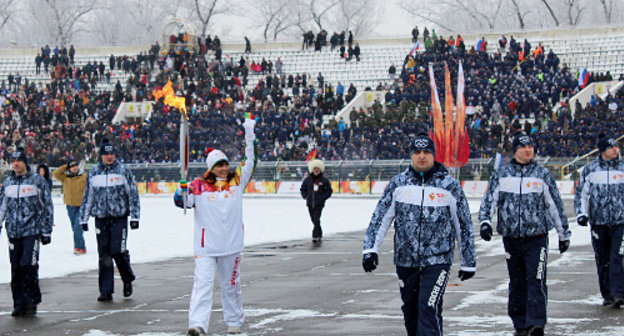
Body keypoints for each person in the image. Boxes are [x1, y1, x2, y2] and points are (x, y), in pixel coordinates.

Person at [362, 133, 476, 336]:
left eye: (426, 152)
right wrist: (371, 249)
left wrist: (468, 261)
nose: (421, 156)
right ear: (411, 156)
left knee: (428, 306)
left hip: (438, 260)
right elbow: (380, 218)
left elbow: (464, 225)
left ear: (433, 155)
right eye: (417, 152)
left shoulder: (449, 186)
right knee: (412, 312)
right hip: (406, 261)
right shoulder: (399, 184)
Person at [479, 132, 570, 336]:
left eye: (531, 147)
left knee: (536, 279)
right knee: (517, 281)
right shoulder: (502, 175)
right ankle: (520, 323)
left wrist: (563, 234)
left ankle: (536, 323)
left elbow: (555, 205)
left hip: (536, 237)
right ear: (516, 150)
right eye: (523, 147)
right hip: (511, 238)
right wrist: (485, 222)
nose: (528, 150)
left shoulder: (541, 175)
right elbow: (489, 201)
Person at [174, 118, 257, 336]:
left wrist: (250, 135)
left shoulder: (237, 181)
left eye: (225, 164)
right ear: (211, 168)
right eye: (219, 165)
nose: (224, 168)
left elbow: (251, 160)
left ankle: (234, 322)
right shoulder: (197, 186)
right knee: (202, 287)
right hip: (206, 248)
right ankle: (198, 324)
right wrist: (180, 193)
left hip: (231, 246)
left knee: (231, 287)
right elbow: (184, 202)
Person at [80, 139, 140, 302]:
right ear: (101, 156)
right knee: (104, 255)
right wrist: (83, 219)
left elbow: (133, 194)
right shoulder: (93, 173)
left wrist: (135, 216)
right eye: (106, 154)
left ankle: (127, 277)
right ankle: (106, 290)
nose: (109, 156)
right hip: (101, 218)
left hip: (119, 218)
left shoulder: (123, 171)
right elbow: (88, 197)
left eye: (112, 153)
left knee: (118, 251)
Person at [0, 148, 53, 317]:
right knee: (16, 268)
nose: (15, 164)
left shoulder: (37, 181)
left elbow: (47, 206)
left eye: (19, 161)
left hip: (32, 231)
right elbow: (2, 207)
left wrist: (46, 230)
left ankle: (32, 300)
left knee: (28, 265)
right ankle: (19, 303)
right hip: (13, 233)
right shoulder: (8, 183)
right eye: (13, 161)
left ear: (25, 162)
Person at [574, 135, 624, 308]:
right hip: (599, 222)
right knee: (603, 259)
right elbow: (581, 193)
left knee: (617, 256)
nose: (616, 150)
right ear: (603, 151)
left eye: (616, 147)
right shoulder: (590, 170)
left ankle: (619, 293)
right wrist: (581, 213)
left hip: (620, 221)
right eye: (612, 147)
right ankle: (608, 294)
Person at [53, 160, 88, 255]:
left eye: (76, 165)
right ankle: (82, 246)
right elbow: (55, 173)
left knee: (77, 227)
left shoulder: (84, 177)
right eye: (72, 166)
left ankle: (79, 248)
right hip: (70, 206)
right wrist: (66, 166)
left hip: (81, 206)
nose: (75, 168)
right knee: (75, 227)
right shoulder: (65, 178)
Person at [300, 159, 332, 243]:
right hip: (310, 203)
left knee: (316, 218)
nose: (316, 170)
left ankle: (315, 235)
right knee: (313, 219)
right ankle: (319, 232)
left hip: (319, 203)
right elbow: (302, 189)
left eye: (318, 169)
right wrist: (305, 196)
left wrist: (323, 197)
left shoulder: (324, 180)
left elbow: (329, 191)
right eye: (315, 169)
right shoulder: (307, 180)